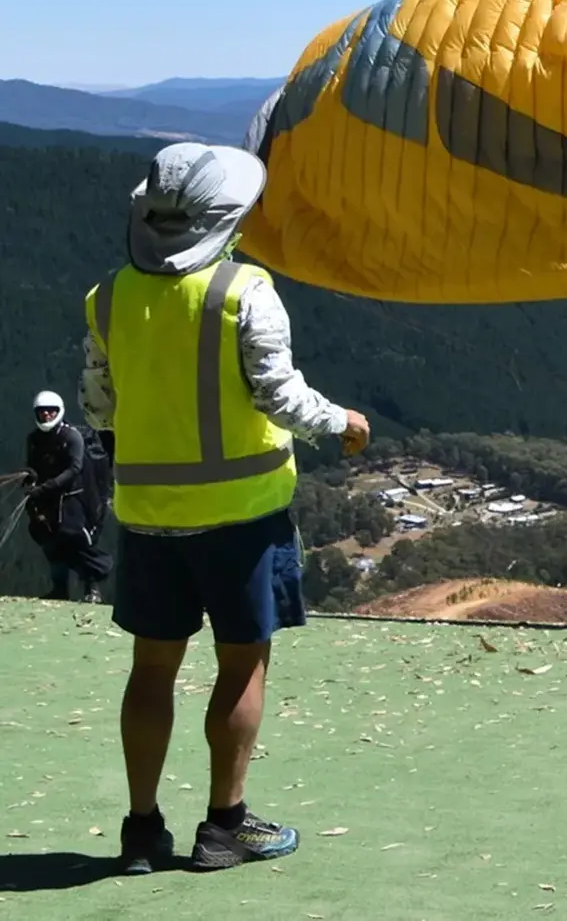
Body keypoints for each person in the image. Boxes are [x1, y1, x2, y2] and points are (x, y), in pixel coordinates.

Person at [80, 143, 372, 875]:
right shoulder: (245, 291)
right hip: (243, 517)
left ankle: (141, 831)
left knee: (151, 670)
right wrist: (343, 424)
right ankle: (225, 827)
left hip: (146, 513)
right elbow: (278, 394)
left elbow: (97, 407)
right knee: (242, 668)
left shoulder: (107, 296)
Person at [22, 390, 113, 602]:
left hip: (74, 499)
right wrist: (30, 477)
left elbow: (75, 469)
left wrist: (44, 488)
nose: (46, 415)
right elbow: (33, 465)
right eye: (42, 412)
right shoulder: (34, 439)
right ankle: (60, 589)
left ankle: (93, 588)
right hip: (47, 498)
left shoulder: (72, 437)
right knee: (48, 539)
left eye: (51, 411)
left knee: (76, 539)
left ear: (59, 412)